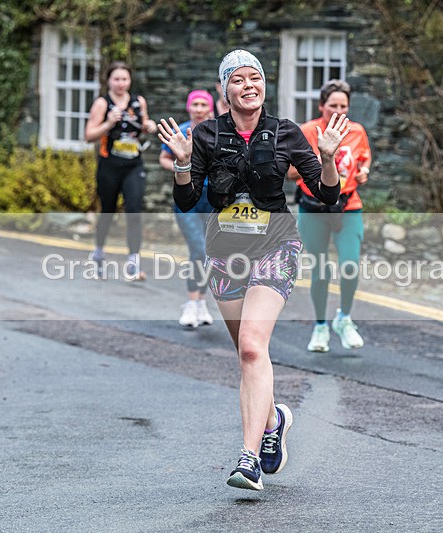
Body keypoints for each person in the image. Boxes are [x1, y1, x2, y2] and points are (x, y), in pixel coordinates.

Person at [158, 49, 348, 491]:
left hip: (276, 246)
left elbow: (326, 195)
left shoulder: (286, 133)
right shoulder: (205, 135)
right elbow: (187, 201)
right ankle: (274, 420)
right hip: (225, 253)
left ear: (265, 85)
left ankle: (248, 460)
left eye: (255, 78)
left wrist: (329, 156)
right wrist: (184, 163)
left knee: (250, 347)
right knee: (249, 357)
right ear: (225, 89)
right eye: (238, 80)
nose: (249, 86)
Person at [288, 79, 372, 352]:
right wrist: (322, 163)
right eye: (332, 106)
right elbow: (289, 172)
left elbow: (363, 160)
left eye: (343, 106)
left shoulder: (357, 131)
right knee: (320, 271)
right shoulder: (307, 132)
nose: (338, 111)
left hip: (348, 206)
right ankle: (321, 326)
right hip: (313, 208)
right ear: (321, 106)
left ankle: (344, 319)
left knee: (350, 265)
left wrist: (363, 172)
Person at [84, 61, 156, 280]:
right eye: (116, 79)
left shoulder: (137, 101)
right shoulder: (102, 103)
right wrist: (107, 123)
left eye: (125, 79)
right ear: (109, 81)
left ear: (129, 81)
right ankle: (98, 253)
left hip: (133, 165)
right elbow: (89, 135)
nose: (121, 83)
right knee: (108, 210)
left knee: (134, 210)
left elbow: (143, 126)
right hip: (109, 166)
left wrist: (149, 126)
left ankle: (133, 262)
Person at [159, 90, 215, 328]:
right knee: (198, 249)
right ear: (189, 107)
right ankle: (192, 303)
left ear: (210, 109)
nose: (199, 109)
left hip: (213, 198)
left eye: (204, 105)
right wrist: (181, 169)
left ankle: (201, 301)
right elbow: (163, 158)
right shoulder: (179, 131)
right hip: (187, 197)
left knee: (211, 252)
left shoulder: (218, 133)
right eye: (196, 104)